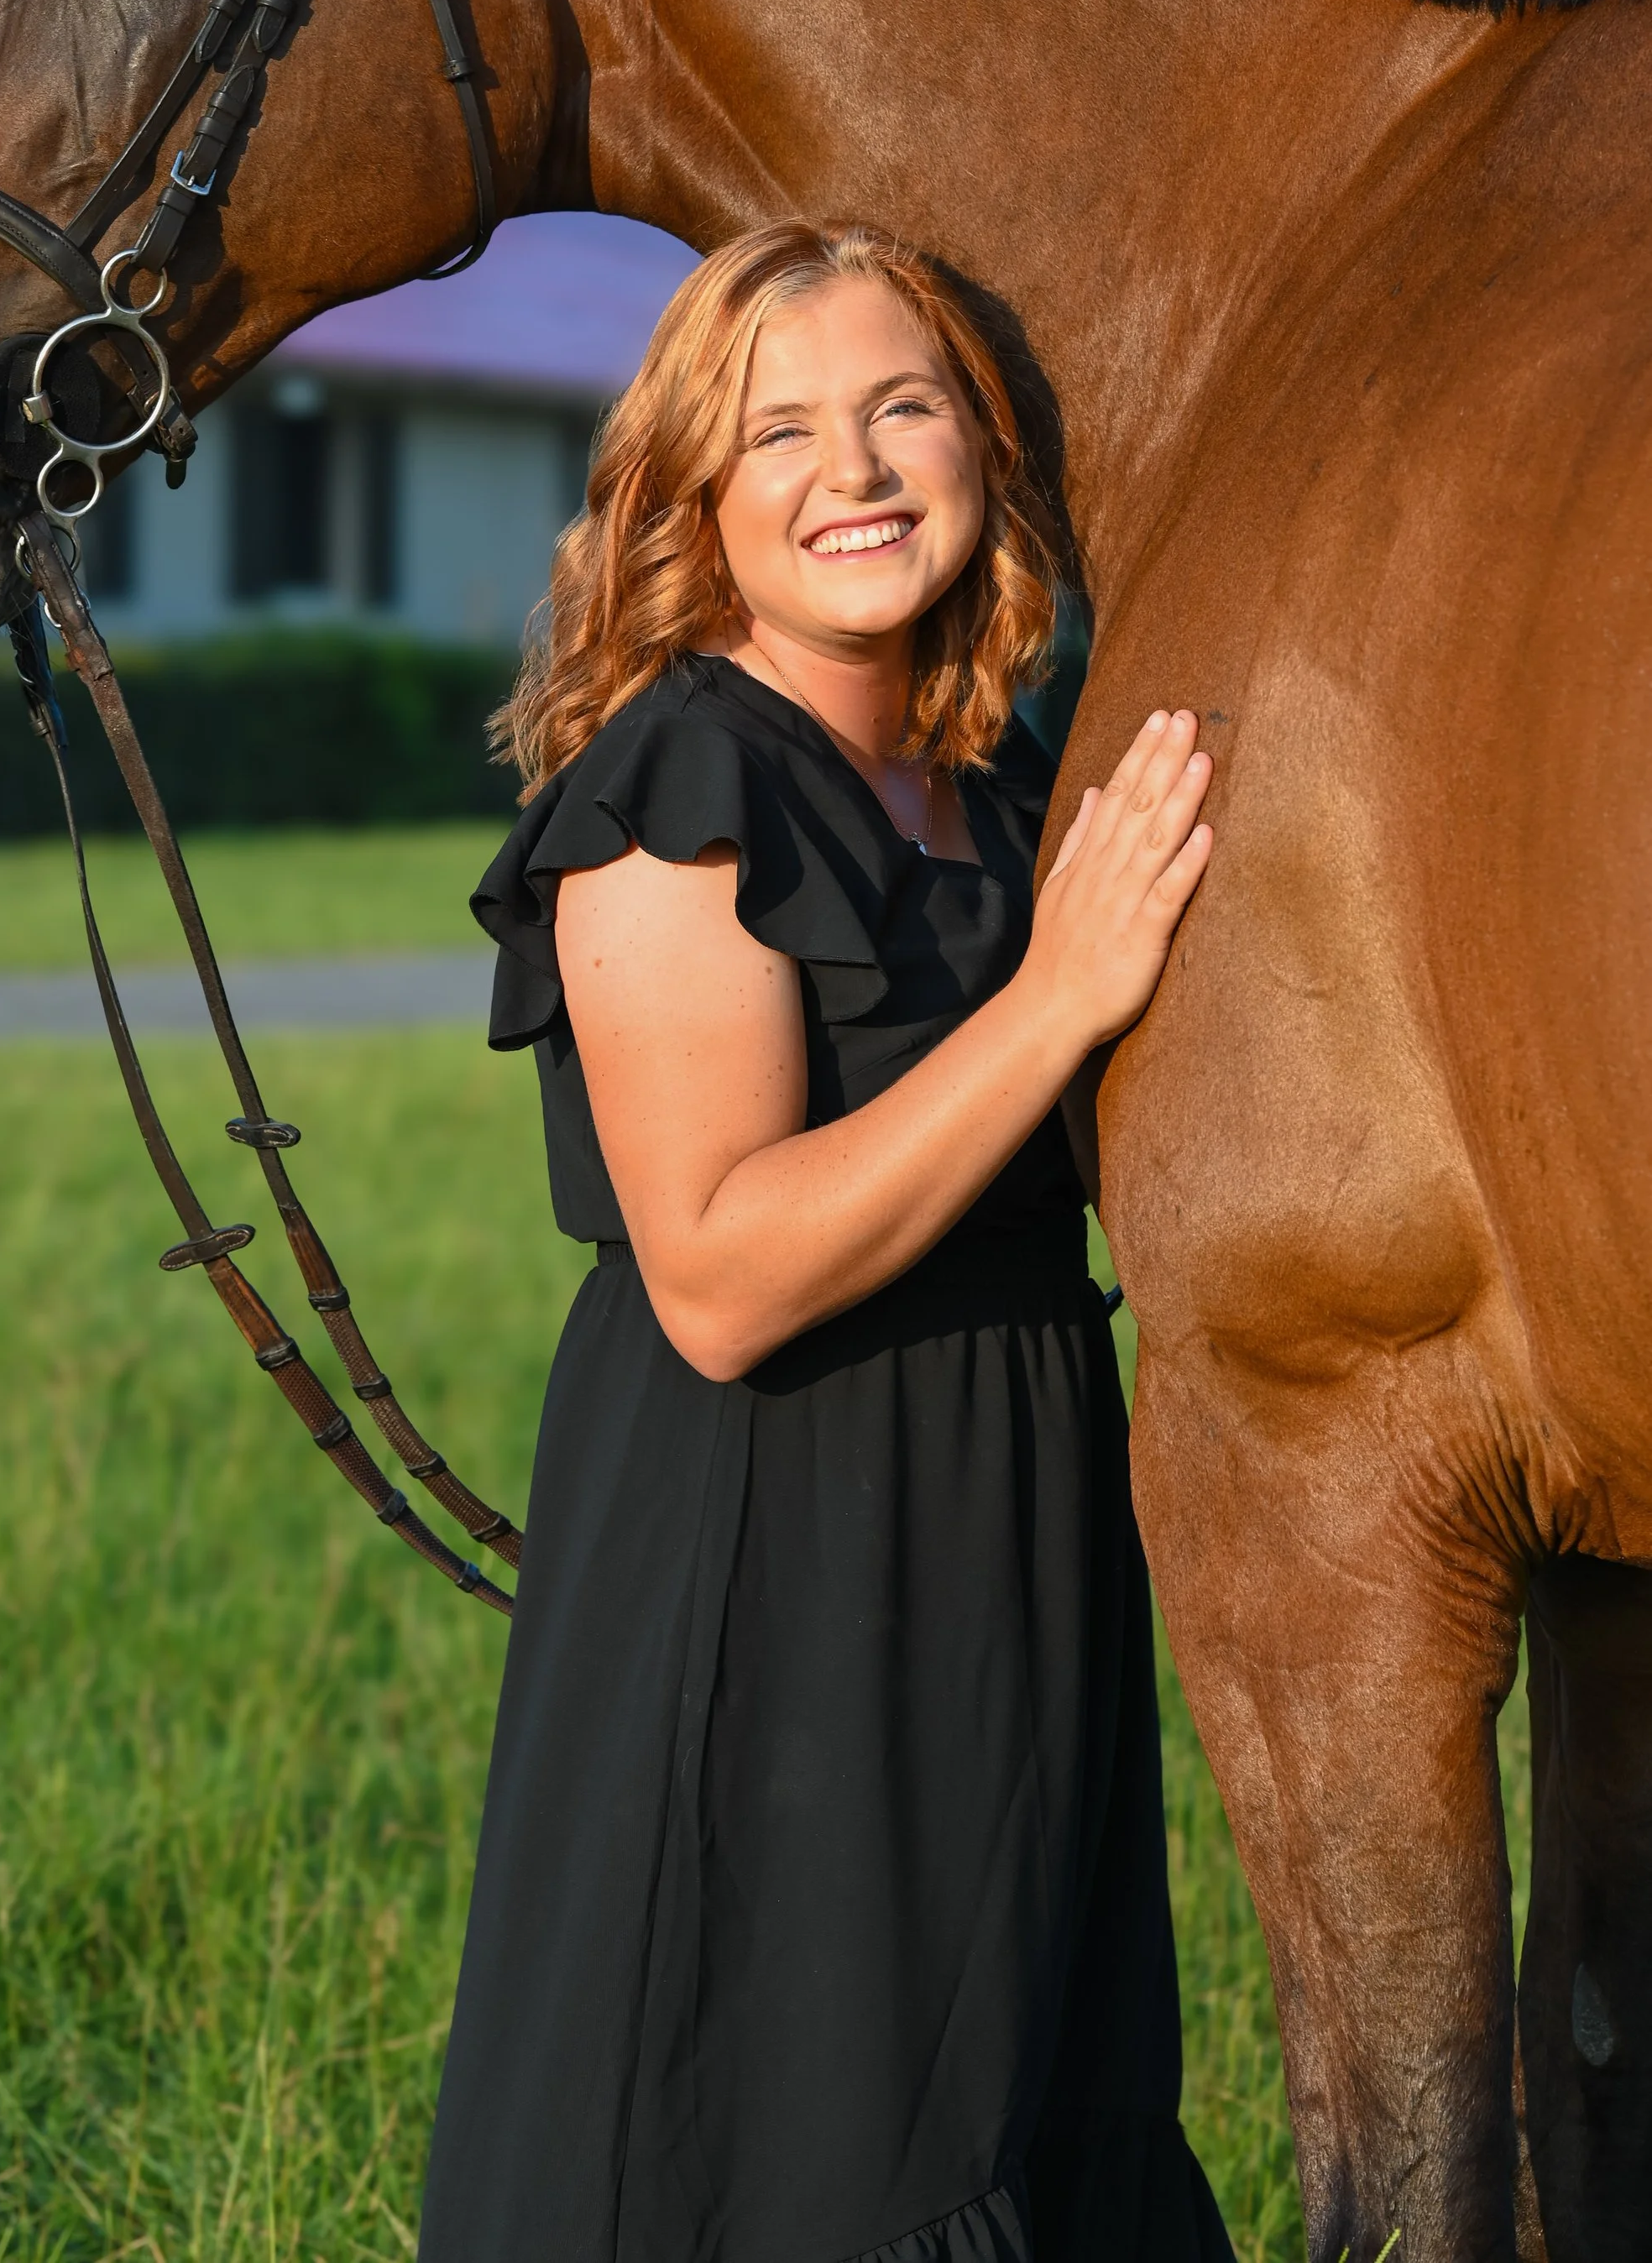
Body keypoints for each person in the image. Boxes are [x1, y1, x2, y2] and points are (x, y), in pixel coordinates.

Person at [419, 222, 1228, 2263]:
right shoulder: (677, 782)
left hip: (1008, 1517)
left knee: (1016, 2078)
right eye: (776, 430)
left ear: (977, 447)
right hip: (772, 1536)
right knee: (795, 2127)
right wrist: (1059, 995)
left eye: (899, 408)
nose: (851, 470)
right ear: (694, 498)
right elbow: (714, 1267)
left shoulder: (1002, 783)